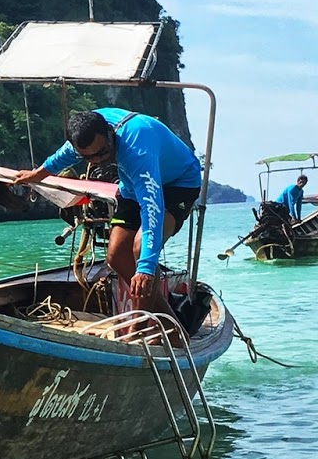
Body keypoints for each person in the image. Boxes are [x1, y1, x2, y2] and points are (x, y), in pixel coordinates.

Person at [14, 108, 202, 314]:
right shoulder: (85, 134)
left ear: (110, 132)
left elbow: (151, 210)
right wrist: (36, 175)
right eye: (88, 157)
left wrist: (146, 268)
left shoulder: (136, 149)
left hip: (179, 183)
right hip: (131, 185)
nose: (97, 161)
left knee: (140, 250)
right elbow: (62, 157)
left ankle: (141, 327)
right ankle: (169, 320)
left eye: (103, 152)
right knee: (116, 255)